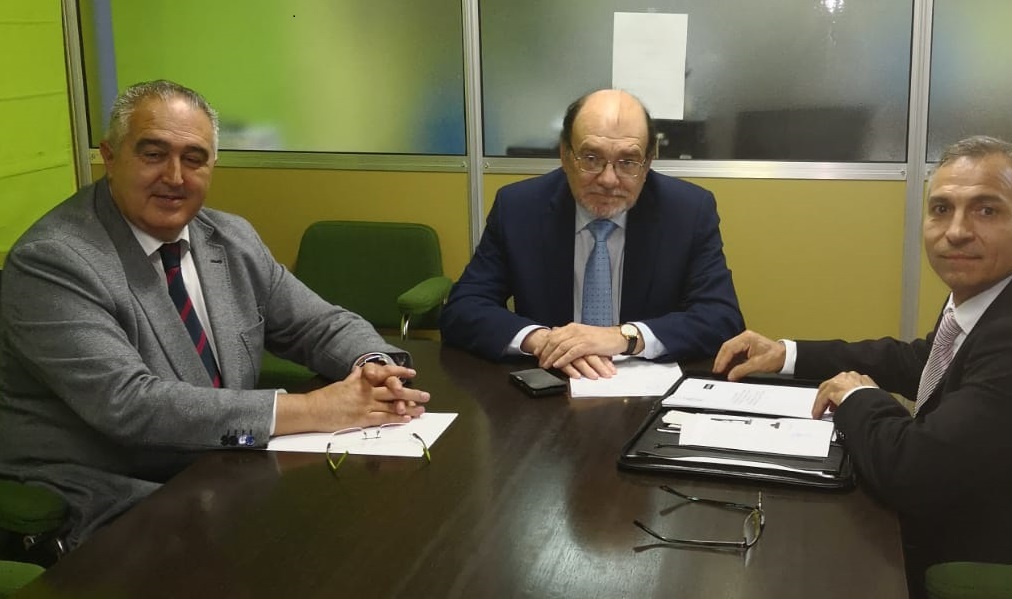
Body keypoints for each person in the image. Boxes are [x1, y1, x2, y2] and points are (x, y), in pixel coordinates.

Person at [713, 136, 1012, 595]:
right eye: (941, 209)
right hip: (997, 514)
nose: (956, 231)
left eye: (986, 210)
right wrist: (788, 354)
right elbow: (925, 362)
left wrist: (858, 398)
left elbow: (910, 472)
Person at [0, 80, 431, 548]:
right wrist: (314, 409)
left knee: (375, 531)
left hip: (222, 467)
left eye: (194, 158)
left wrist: (375, 370)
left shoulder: (229, 237)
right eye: (153, 154)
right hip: (111, 491)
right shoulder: (54, 260)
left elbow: (317, 324)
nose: (175, 177)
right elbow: (129, 404)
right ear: (110, 156)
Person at [440, 89, 743, 378]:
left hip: (646, 390)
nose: (608, 179)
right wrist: (544, 341)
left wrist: (624, 337)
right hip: (551, 385)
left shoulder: (688, 211)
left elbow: (721, 317)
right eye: (591, 158)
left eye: (628, 162)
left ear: (648, 162)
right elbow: (463, 308)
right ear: (565, 154)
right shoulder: (519, 208)